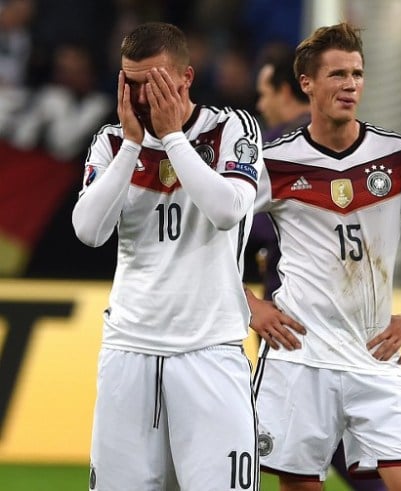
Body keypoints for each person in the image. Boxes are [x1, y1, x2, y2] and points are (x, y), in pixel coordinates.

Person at [246, 22, 401, 491]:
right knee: (300, 484)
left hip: (374, 355)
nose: (350, 84)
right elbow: (206, 235)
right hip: (300, 355)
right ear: (306, 83)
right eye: (337, 74)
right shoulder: (275, 161)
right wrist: (248, 305)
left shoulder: (399, 156)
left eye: (356, 73)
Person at [72, 22, 264, 490]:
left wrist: (174, 138)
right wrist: (135, 145)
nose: (140, 96)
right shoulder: (112, 141)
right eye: (130, 82)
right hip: (129, 351)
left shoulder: (231, 128)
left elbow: (225, 211)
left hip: (209, 351)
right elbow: (89, 231)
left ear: (186, 78)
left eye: (152, 82)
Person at [249, 44, 387, 491]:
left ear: (291, 90)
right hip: (345, 325)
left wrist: (250, 299)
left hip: (303, 332)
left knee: (318, 464)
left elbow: (233, 234)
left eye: (264, 92)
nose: (259, 103)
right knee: (351, 462)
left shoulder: (273, 155)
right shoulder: (360, 147)